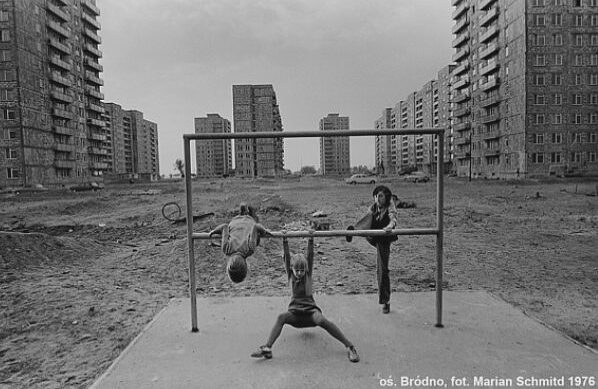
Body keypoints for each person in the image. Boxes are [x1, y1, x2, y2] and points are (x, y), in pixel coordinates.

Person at [250, 235, 360, 363]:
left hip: (310, 315)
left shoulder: (307, 276)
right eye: (297, 270)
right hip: (296, 315)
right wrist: (285, 240)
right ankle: (267, 348)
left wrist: (311, 238)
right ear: (292, 269)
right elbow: (286, 257)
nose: (300, 273)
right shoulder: (290, 277)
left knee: (322, 319)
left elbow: (310, 256)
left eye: (302, 270)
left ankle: (349, 346)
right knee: (281, 317)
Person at [346, 185, 397, 314]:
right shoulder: (374, 206)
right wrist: (358, 228)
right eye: (375, 196)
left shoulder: (390, 204)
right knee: (368, 219)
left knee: (382, 269)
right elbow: (366, 219)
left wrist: (390, 226)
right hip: (372, 234)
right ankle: (353, 232)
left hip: (384, 237)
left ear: (386, 197)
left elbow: (393, 218)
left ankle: (386, 302)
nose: (377, 199)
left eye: (380, 196)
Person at [208, 203, 272, 283]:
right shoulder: (226, 249)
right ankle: (243, 212)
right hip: (235, 221)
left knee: (257, 240)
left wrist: (264, 232)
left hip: (249, 221)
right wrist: (214, 231)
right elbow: (224, 226)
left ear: (246, 266)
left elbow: (256, 227)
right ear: (228, 265)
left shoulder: (249, 250)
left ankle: (247, 213)